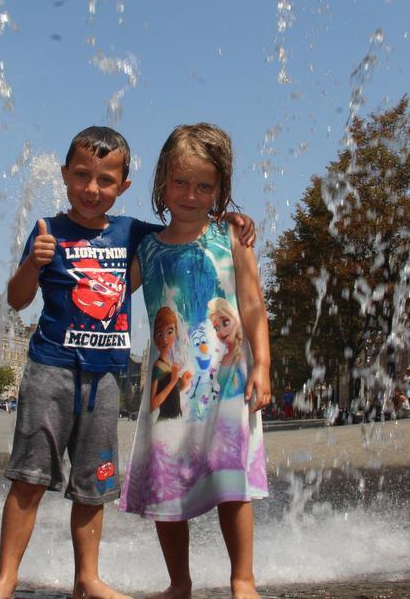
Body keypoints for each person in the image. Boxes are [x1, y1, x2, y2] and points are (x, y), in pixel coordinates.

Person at [0, 126, 255, 599]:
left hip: (104, 379)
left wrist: (231, 219)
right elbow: (18, 301)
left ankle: (88, 579)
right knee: (28, 477)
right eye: (81, 175)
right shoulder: (48, 231)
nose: (91, 189)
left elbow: (186, 224)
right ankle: (5, 579)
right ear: (64, 175)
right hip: (49, 369)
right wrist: (31, 265)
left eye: (105, 180)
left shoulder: (132, 234)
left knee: (93, 485)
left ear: (123, 188)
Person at [121, 123, 271, 599]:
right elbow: (108, 293)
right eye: (180, 182)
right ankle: (178, 583)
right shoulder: (146, 248)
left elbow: (251, 305)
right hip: (171, 387)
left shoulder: (233, 238)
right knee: (167, 485)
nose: (190, 194)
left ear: (221, 191)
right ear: (161, 183)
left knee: (232, 483)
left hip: (227, 380)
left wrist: (263, 365)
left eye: (204, 185)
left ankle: (242, 579)